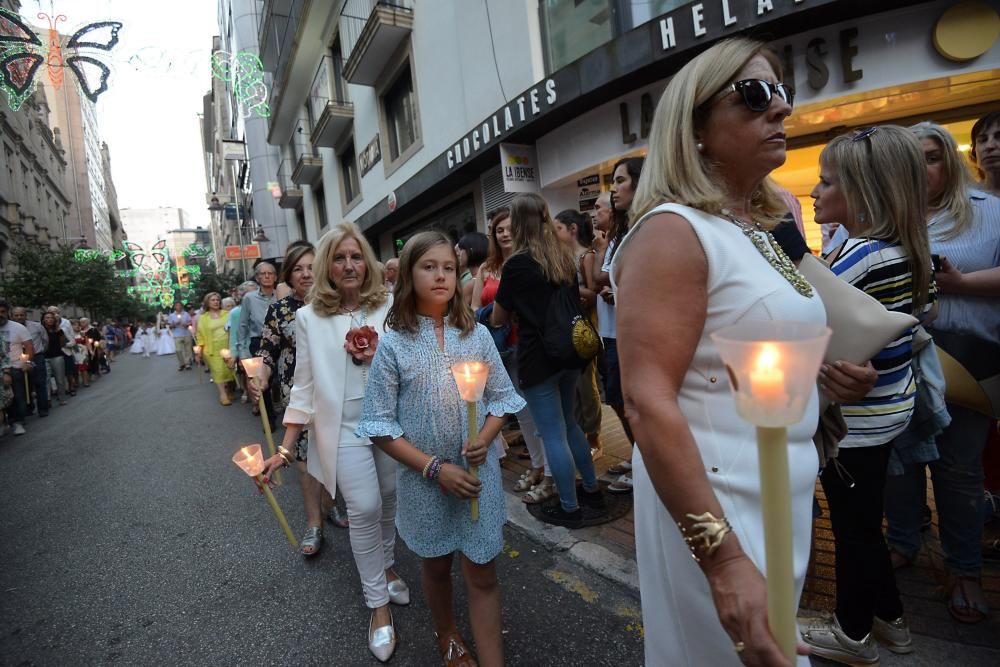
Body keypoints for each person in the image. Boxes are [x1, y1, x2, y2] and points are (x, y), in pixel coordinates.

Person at [614, 37, 867, 666]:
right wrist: (722, 558)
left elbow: (756, 349)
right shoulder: (673, 230)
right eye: (754, 95)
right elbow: (646, 402)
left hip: (778, 488)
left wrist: (823, 377)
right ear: (695, 127)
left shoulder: (753, 230)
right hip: (716, 502)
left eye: (781, 94)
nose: (779, 110)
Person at [358, 231, 525, 667]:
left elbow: (502, 399)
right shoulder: (393, 343)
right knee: (435, 565)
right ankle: (447, 632)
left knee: (482, 569)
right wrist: (434, 469)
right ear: (409, 274)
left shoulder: (478, 335)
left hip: (475, 476)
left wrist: (485, 439)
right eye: (429, 267)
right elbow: (379, 424)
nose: (441, 276)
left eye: (449, 267)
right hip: (425, 480)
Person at [806, 124, 936, 663]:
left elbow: (807, 322)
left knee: (854, 529)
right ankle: (892, 618)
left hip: (855, 421)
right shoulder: (908, 248)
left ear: (861, 192)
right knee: (864, 524)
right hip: (889, 409)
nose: (814, 192)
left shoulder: (860, 255)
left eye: (826, 181)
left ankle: (852, 632)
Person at [260, 222, 405, 662]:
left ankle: (389, 563)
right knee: (362, 508)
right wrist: (285, 448)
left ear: (368, 262)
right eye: (339, 258)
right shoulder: (308, 317)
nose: (349, 265)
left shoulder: (390, 307)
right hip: (341, 429)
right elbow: (303, 387)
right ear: (327, 265)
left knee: (389, 496)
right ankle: (377, 606)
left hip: (389, 425)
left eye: (356, 256)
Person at [883, 121, 1000, 624]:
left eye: (931, 157)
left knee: (959, 470)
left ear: (949, 161)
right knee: (901, 459)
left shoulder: (990, 211)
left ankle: (965, 571)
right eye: (911, 160)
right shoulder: (883, 215)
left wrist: (956, 284)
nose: (921, 168)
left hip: (970, 356)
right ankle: (904, 541)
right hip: (901, 353)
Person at [491, 193, 604, 524]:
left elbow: (498, 317)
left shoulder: (516, 265)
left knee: (552, 434)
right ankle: (592, 487)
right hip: (568, 353)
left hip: (537, 358)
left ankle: (569, 506)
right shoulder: (562, 257)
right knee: (571, 425)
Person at [253, 242, 331, 555]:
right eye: (298, 269)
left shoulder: (334, 303)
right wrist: (260, 375)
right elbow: (266, 350)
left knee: (332, 449)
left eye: (311, 266)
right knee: (303, 456)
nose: (305, 274)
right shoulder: (281, 310)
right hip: (295, 390)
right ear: (289, 275)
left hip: (332, 389)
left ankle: (333, 504)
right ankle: (315, 523)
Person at [473, 208, 550, 504]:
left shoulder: (530, 261)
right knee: (522, 414)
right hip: (499, 349)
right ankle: (536, 465)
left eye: (508, 228)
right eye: (498, 229)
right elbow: (473, 310)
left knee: (543, 413)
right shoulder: (486, 269)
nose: (504, 233)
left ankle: (549, 472)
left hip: (530, 346)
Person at [593, 158, 644, 493]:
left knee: (631, 402)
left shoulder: (646, 227)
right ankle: (639, 456)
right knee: (617, 399)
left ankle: (644, 463)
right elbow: (602, 277)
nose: (613, 191)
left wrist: (618, 288)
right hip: (611, 332)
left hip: (633, 333)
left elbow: (604, 276)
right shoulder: (619, 234)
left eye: (621, 181)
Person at [553, 209, 604, 459]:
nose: (554, 234)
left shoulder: (586, 256)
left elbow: (594, 293)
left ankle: (594, 437)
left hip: (585, 327)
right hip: (567, 327)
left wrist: (568, 290)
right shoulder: (561, 258)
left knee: (586, 385)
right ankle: (578, 435)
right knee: (571, 387)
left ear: (572, 229)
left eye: (558, 229)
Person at [239, 262, 278, 416]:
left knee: (278, 379)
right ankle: (269, 418)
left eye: (270, 273)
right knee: (261, 383)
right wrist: (242, 352)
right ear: (257, 278)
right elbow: (242, 325)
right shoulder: (249, 298)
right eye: (263, 274)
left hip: (280, 341)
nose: (267, 276)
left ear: (275, 277)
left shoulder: (282, 295)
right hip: (258, 342)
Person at [195, 293, 236, 405]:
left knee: (230, 370)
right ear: (207, 303)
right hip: (212, 349)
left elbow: (234, 327)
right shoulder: (203, 318)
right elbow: (200, 335)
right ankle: (223, 395)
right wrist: (199, 350)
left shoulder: (227, 314)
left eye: (218, 300)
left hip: (228, 345)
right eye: (213, 300)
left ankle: (230, 390)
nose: (216, 302)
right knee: (218, 371)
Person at [0, 301, 33, 435]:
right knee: (3, 399)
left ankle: (18, 422)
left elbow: (30, 347)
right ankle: (4, 422)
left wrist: (28, 362)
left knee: (18, 396)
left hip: (16, 367)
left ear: (8, 312)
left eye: (2, 312)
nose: (0, 315)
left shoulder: (18, 328)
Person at [12, 307, 49, 418]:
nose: (19, 317)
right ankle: (29, 408)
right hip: (19, 359)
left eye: (21, 315)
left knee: (40, 383)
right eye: (16, 315)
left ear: (25, 315)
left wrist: (40, 353)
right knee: (24, 384)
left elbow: (45, 340)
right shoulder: (11, 328)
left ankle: (43, 408)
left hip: (37, 357)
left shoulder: (36, 326)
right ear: (12, 316)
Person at [229, 281, 258, 404]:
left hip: (264, 346)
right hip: (247, 348)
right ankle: (256, 403)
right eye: (248, 293)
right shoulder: (236, 312)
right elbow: (235, 334)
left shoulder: (265, 306)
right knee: (251, 377)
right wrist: (235, 354)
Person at [41, 312, 69, 406]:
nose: (49, 319)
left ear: (54, 320)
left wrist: (58, 330)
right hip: (44, 357)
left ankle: (62, 398)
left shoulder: (58, 330)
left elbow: (63, 344)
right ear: (43, 319)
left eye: (51, 318)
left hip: (57, 356)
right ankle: (48, 400)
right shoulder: (41, 330)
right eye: (47, 317)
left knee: (60, 379)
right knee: (46, 379)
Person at [970, 111, 1000, 197]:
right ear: (974, 152)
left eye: (999, 136)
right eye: (982, 140)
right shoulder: (963, 199)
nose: (989, 146)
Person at [456, 232, 489, 306]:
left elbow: (460, 313)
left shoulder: (472, 284)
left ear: (470, 251)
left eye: (461, 249)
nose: (458, 254)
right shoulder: (489, 275)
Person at [168, 302, 194, 370]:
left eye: (180, 305)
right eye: (177, 305)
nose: (178, 307)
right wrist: (174, 324)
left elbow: (190, 322)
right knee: (178, 350)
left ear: (182, 306)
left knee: (188, 349)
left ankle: (187, 363)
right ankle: (182, 363)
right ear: (174, 307)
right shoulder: (172, 315)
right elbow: (169, 326)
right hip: (177, 334)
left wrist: (187, 324)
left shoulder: (186, 314)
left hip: (186, 333)